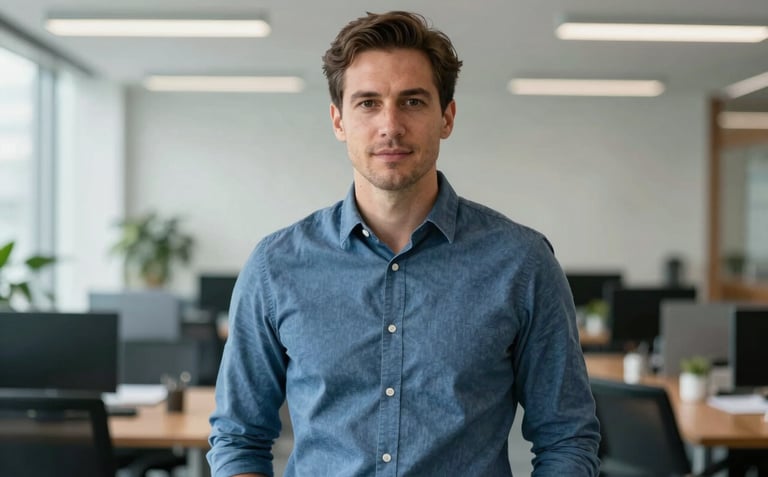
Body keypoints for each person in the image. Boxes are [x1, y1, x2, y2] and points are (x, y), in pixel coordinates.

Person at [208, 10, 601, 476]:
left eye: (412, 102)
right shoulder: (275, 267)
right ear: (338, 120)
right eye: (368, 103)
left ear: (446, 117)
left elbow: (566, 437)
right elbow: (238, 436)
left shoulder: (522, 263)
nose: (390, 125)